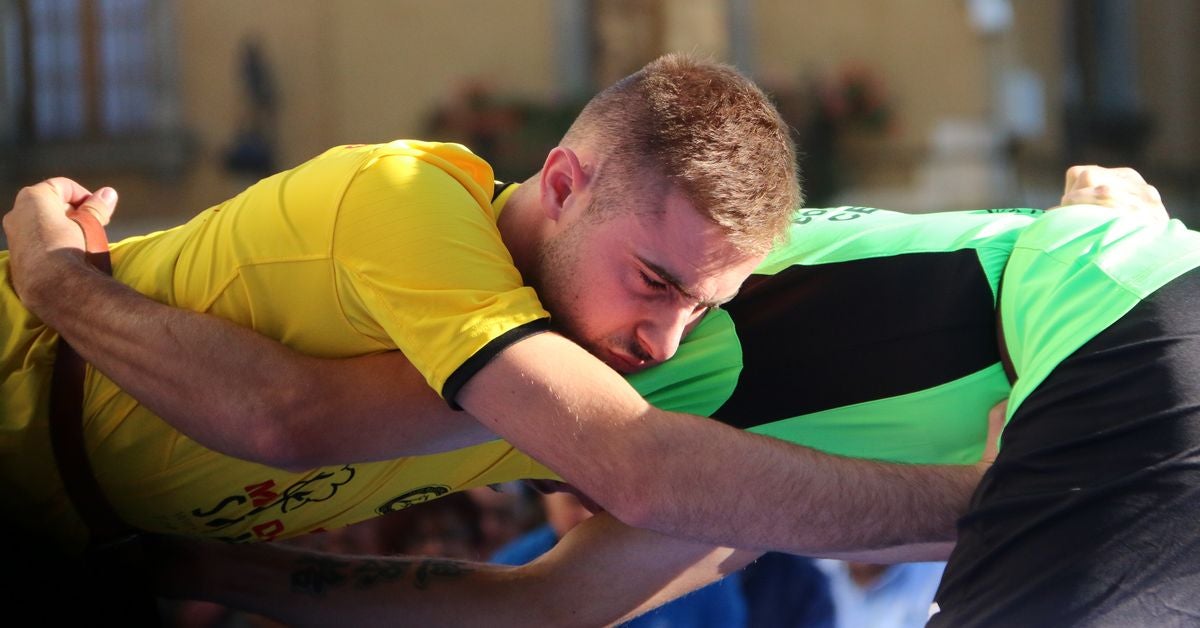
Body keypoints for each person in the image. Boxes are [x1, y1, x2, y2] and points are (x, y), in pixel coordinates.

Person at [13, 160, 1187, 626]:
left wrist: (991, 499)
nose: (665, 330)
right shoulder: (684, 441)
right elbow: (553, 605)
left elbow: (293, 418)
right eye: (656, 285)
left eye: (690, 294)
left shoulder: (641, 399)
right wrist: (221, 573)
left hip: (1111, 321)